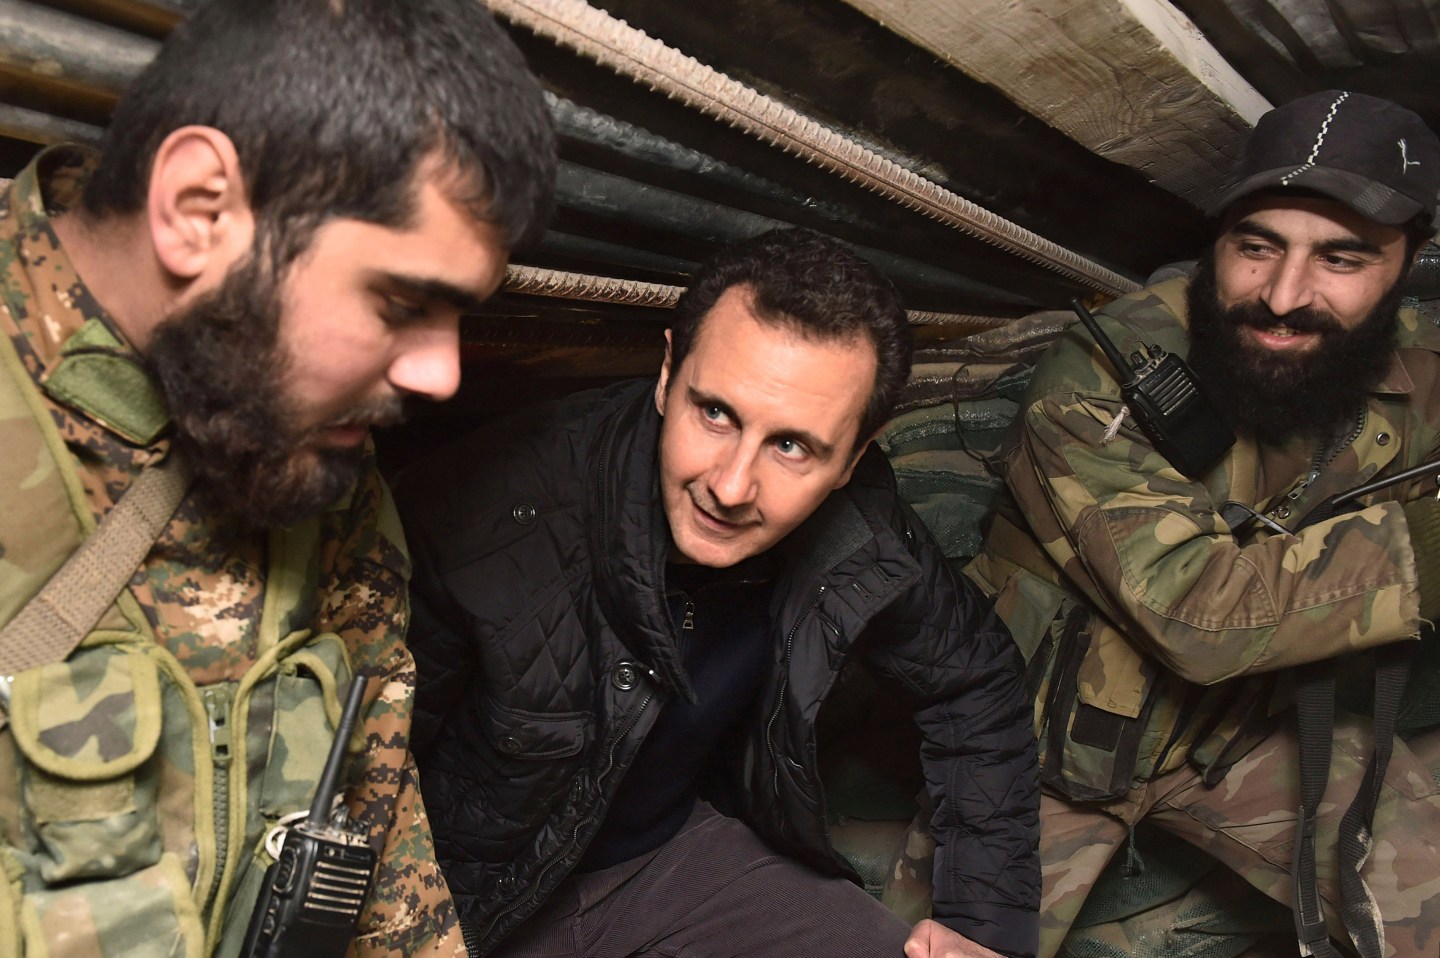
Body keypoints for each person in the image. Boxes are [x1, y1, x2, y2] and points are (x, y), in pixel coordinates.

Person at [0, 0, 555, 954]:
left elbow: (374, 808)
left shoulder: (302, 437)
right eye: (404, 301)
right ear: (199, 210)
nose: (442, 373)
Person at [393, 227, 1040, 958]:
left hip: (672, 859)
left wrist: (981, 923)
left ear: (854, 456)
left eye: (791, 445)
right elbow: (357, 786)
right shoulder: (486, 516)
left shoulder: (861, 530)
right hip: (476, 901)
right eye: (716, 413)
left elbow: (976, 679)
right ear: (669, 374)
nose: (730, 487)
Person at [964, 89, 1440, 958]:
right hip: (1038, 747)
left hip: (1251, 730)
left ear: (1406, 266)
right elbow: (1200, 616)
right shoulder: (1099, 373)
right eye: (1255, 248)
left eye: (1341, 259)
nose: (1284, 296)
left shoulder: (1419, 368)